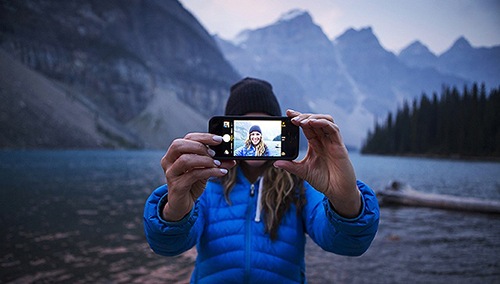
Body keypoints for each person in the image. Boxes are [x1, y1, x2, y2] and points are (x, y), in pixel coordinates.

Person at [143, 77, 380, 283]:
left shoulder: (300, 185)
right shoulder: (205, 182)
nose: (256, 136)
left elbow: (348, 245)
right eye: (249, 129)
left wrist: (347, 199)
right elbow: (168, 246)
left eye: (262, 129)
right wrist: (174, 208)